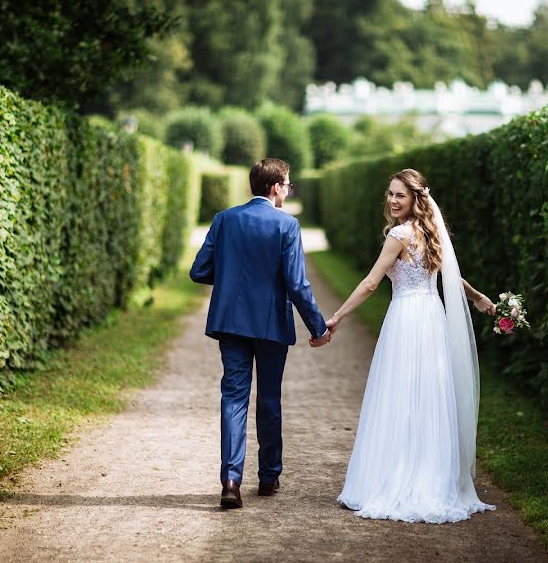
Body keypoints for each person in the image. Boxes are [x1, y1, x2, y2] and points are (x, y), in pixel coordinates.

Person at [324, 168, 497, 523]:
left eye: (400, 195)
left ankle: (399, 476)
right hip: (431, 317)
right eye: (389, 194)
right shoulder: (431, 231)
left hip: (407, 318)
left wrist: (338, 316)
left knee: (401, 394)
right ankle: (430, 475)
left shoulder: (399, 235)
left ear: (416, 197)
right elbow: (448, 274)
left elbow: (372, 283)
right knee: (427, 394)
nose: (392, 200)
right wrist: (477, 296)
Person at [190, 157, 331, 510]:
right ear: (275, 187)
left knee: (233, 398)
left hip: (231, 323)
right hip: (270, 324)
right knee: (269, 399)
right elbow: (297, 285)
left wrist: (230, 279)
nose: (288, 190)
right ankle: (268, 476)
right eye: (288, 185)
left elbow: (198, 270)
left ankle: (231, 481)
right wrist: (318, 326)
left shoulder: (224, 220)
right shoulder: (286, 226)